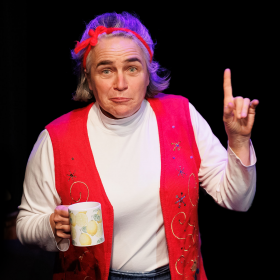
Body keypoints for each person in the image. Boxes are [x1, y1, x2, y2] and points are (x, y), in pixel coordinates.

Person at [16, 11, 259, 280]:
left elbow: (238, 201)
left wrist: (238, 141)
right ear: (88, 78)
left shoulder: (181, 115)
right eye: (106, 70)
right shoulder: (56, 138)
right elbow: (26, 224)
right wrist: (50, 226)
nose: (120, 84)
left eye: (132, 68)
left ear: (147, 73)